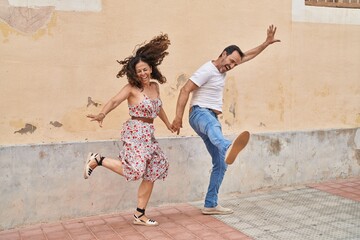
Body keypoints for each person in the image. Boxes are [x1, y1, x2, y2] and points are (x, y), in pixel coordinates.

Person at [172, 25, 280, 215]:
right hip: (199, 114)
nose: (230, 66)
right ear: (222, 54)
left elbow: (247, 55)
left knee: (220, 163)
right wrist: (178, 117)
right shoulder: (207, 69)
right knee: (214, 126)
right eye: (229, 61)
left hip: (209, 117)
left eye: (234, 65)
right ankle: (226, 145)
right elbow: (185, 90)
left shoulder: (227, 66)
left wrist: (265, 44)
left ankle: (210, 204)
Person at [84, 33, 174, 226]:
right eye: (138, 71)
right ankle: (98, 159)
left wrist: (167, 123)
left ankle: (140, 214)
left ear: (151, 68)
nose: (142, 73)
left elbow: (158, 108)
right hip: (135, 131)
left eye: (145, 69)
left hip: (148, 133)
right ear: (134, 73)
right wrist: (102, 113)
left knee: (154, 168)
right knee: (135, 170)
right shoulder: (131, 88)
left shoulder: (155, 87)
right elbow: (115, 100)